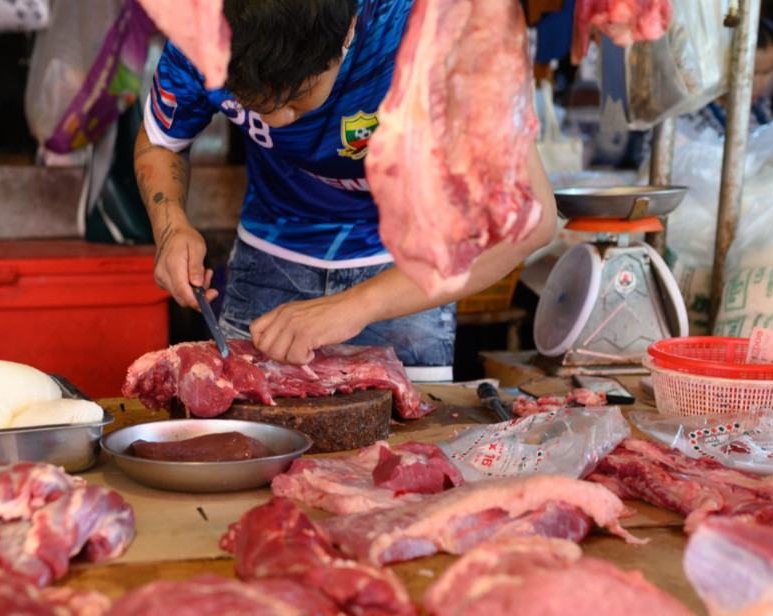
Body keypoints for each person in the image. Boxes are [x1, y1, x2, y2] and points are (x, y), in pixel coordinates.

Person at [133, 0, 557, 374]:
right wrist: (171, 225)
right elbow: (161, 141)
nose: (276, 122)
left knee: (410, 435)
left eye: (298, 98)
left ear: (349, 29)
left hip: (409, 267)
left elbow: (531, 220)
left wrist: (356, 306)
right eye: (250, 104)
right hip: (271, 250)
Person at [676, 19, 773, 141]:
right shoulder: (693, 113)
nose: (757, 82)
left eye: (767, 72)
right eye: (751, 73)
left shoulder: (760, 109)